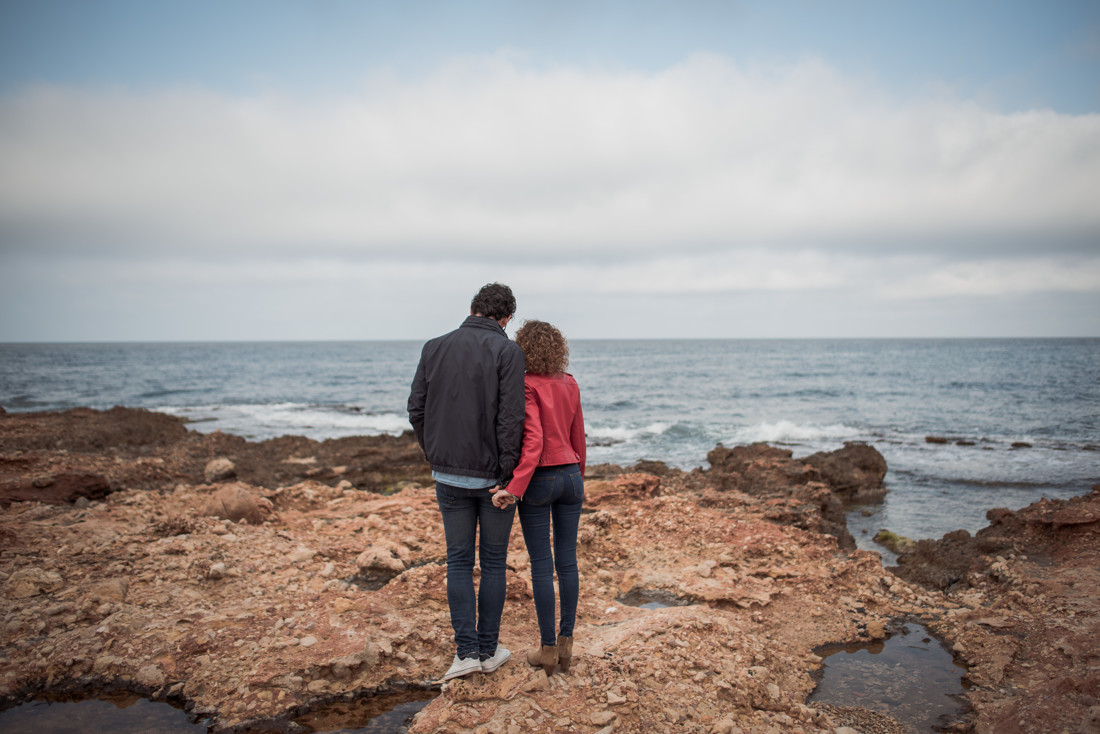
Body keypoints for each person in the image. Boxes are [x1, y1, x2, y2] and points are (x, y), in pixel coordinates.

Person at [407, 283, 526, 681]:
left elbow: (416, 409)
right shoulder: (508, 351)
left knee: (458, 561)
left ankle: (466, 654)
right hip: (494, 480)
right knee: (493, 563)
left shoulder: (433, 346)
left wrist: (435, 454)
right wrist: (507, 474)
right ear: (506, 318)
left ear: (473, 308)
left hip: (448, 476)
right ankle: (488, 650)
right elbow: (511, 419)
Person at [492, 320, 585, 676]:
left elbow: (533, 443)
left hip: (540, 481)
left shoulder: (525, 384)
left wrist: (513, 488)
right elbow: (579, 437)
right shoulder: (570, 383)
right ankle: (566, 646)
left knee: (542, 567)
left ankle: (547, 651)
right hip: (571, 477)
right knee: (568, 563)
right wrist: (578, 479)